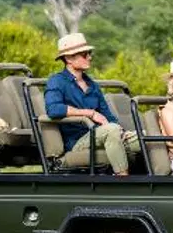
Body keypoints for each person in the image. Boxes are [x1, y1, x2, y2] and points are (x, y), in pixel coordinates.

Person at [44, 32, 141, 175]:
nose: (90, 57)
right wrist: (89, 113)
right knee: (111, 130)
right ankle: (122, 180)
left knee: (144, 136)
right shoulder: (56, 81)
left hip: (103, 136)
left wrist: (121, 132)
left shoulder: (93, 85)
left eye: (89, 53)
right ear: (69, 58)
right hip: (78, 142)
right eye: (84, 54)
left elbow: (108, 116)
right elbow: (53, 109)